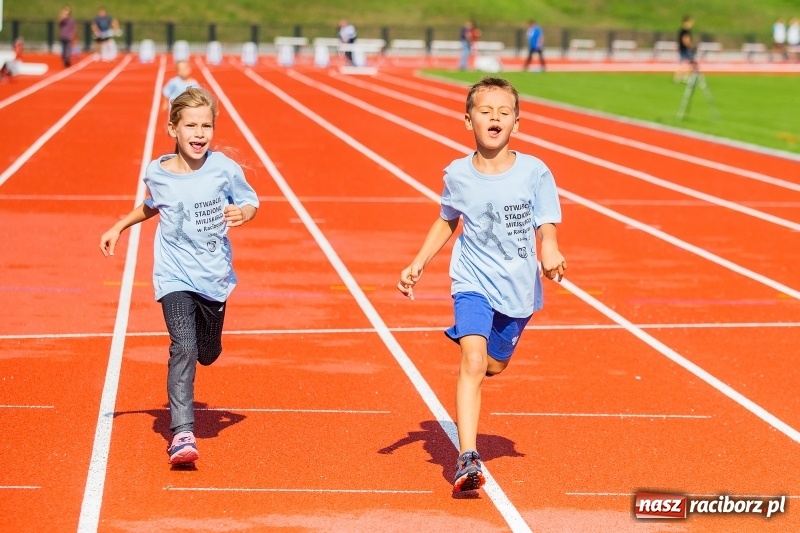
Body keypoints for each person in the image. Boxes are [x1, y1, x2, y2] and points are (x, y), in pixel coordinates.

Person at [397, 77, 566, 492]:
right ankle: (466, 456)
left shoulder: (534, 171)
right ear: (467, 119)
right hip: (471, 279)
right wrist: (418, 262)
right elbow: (447, 219)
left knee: (494, 364)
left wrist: (550, 248)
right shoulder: (457, 173)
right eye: (485, 110)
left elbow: (547, 220)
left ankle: (483, 349)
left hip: (518, 289)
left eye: (504, 112)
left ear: (517, 123)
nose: (495, 117)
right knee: (472, 361)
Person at [99, 87, 259, 465]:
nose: (199, 133)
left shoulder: (223, 169)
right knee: (183, 346)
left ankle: (209, 346)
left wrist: (244, 214)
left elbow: (249, 201)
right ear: (174, 127)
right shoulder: (158, 172)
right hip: (173, 276)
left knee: (207, 352)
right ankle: (183, 433)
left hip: (214, 279)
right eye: (190, 125)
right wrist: (119, 226)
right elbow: (151, 206)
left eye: (206, 125)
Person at [675, 15, 697, 83]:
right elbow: (685, 40)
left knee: (681, 64)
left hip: (682, 48)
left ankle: (678, 78)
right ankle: (685, 77)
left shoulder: (682, 31)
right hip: (686, 49)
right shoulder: (686, 31)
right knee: (689, 64)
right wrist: (690, 46)